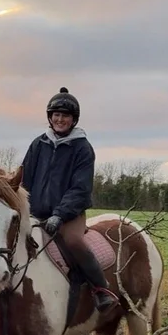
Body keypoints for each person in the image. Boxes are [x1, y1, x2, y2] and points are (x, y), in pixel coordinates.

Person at [21, 87, 119, 314]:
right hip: (36, 213)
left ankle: (100, 289)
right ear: (49, 117)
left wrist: (60, 214)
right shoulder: (38, 144)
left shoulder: (83, 149)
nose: (60, 119)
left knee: (73, 242)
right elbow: (24, 179)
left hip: (69, 215)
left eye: (65, 116)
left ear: (73, 119)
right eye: (56, 115)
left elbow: (80, 188)